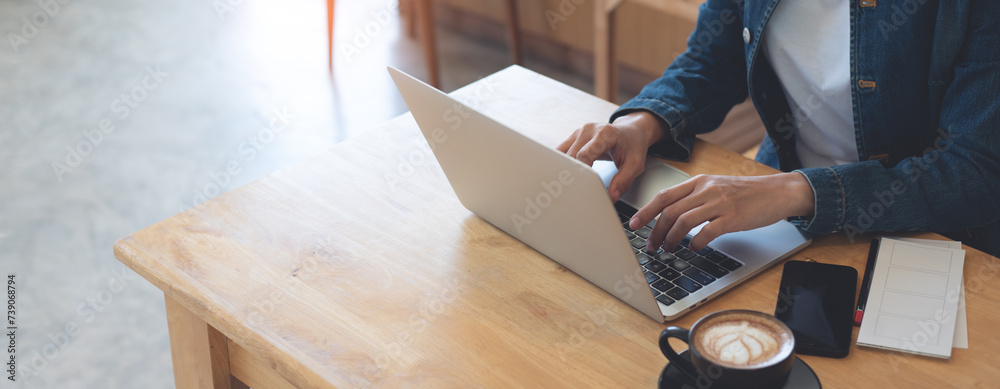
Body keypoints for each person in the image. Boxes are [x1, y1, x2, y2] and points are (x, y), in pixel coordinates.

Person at [558, 0, 1000, 257]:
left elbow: (974, 170)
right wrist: (643, 121)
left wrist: (793, 192)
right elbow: (713, 58)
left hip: (932, 234)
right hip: (777, 199)